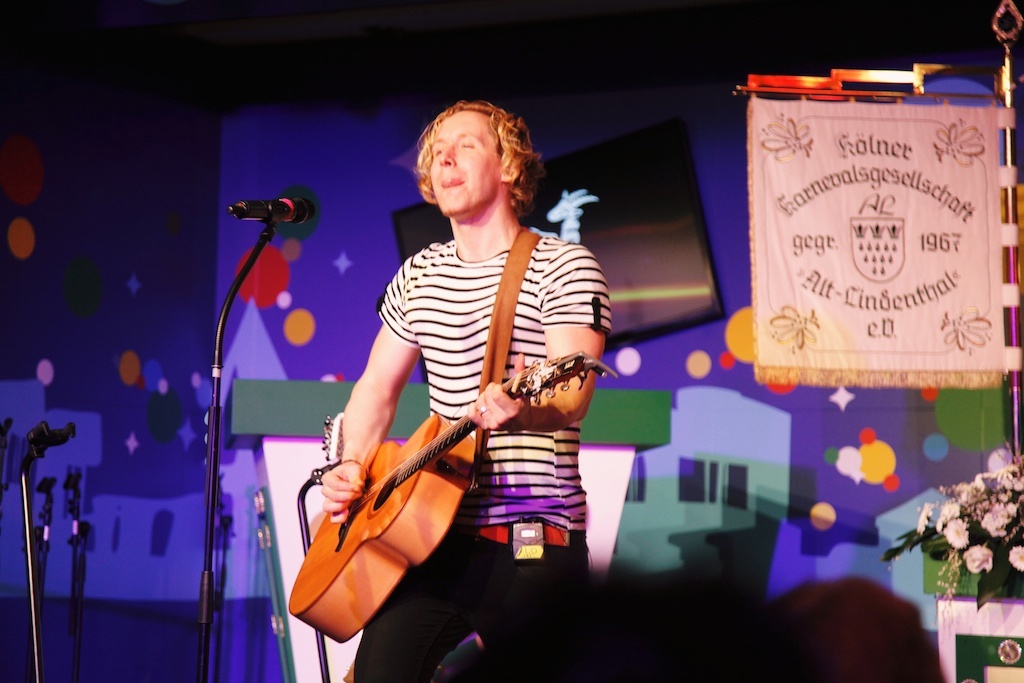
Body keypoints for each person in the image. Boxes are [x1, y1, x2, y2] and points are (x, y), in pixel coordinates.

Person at [319, 99, 612, 683]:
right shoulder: (418, 274)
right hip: (430, 536)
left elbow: (572, 394)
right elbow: (376, 389)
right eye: (436, 153)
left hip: (532, 540)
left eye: (466, 146)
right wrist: (350, 464)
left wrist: (522, 413)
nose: (445, 159)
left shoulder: (564, 265)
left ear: (510, 166)